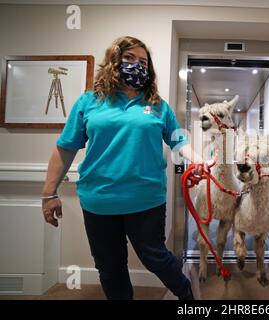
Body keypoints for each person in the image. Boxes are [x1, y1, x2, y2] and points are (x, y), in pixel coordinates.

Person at [41, 36, 202, 300]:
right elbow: (66, 147)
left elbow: (178, 140)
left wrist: (195, 158)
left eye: (143, 62)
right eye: (129, 58)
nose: (136, 65)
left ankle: (188, 296)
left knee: (155, 258)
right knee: (110, 267)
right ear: (113, 61)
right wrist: (49, 193)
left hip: (146, 200)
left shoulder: (158, 105)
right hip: (99, 201)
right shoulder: (89, 101)